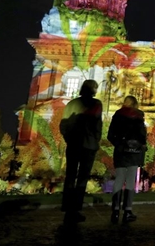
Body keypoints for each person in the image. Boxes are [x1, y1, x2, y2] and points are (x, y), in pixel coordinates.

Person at [59, 80, 103, 223]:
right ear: (93, 90)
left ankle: (67, 209)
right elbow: (98, 125)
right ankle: (76, 209)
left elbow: (63, 124)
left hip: (73, 143)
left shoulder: (72, 104)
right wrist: (96, 139)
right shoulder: (96, 104)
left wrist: (67, 137)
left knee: (70, 176)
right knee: (82, 178)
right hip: (88, 145)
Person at [107, 96, 147, 223]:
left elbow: (110, 135)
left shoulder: (118, 115)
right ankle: (128, 211)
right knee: (130, 181)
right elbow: (142, 135)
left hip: (120, 151)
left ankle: (115, 210)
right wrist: (140, 144)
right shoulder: (138, 116)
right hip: (134, 152)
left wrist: (119, 144)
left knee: (119, 179)